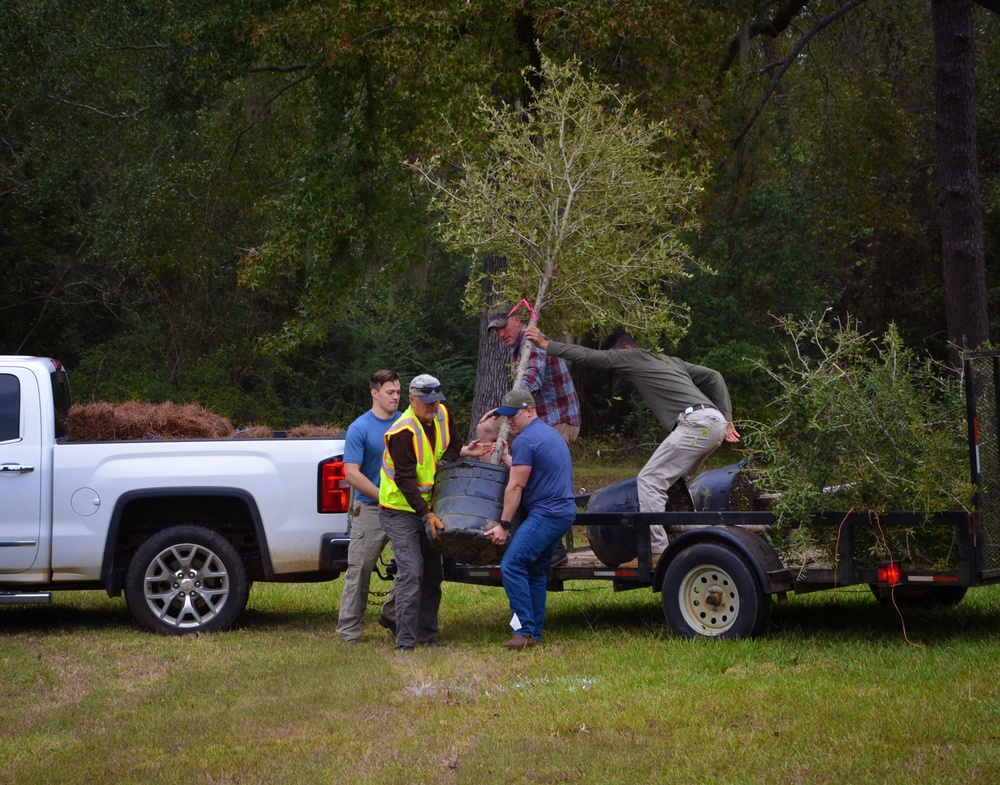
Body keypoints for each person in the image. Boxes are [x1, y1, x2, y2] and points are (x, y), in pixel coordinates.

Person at [525, 325, 740, 560]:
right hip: (714, 422)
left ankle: (657, 551)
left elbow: (589, 356)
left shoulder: (632, 355)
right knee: (677, 482)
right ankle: (686, 537)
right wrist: (727, 418)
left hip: (695, 423)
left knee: (649, 481)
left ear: (626, 348)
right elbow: (714, 376)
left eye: (616, 359)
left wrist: (546, 345)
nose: (619, 370)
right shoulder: (668, 360)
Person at [378, 373, 492, 650]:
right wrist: (425, 515)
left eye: (436, 401)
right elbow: (404, 479)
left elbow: (454, 444)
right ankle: (405, 640)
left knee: (432, 574)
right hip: (399, 510)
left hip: (430, 508)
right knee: (412, 571)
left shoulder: (441, 414)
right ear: (412, 400)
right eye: (427, 402)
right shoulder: (402, 431)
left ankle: (427, 635)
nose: (433, 407)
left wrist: (444, 463)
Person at [484, 389, 577, 649]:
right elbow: (534, 468)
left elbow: (515, 487)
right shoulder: (548, 434)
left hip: (547, 513)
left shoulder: (526, 440)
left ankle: (523, 631)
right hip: (563, 512)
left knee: (512, 566)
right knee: (535, 570)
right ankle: (534, 633)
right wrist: (508, 459)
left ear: (529, 411)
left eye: (513, 416)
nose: (509, 422)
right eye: (505, 418)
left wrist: (503, 525)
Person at [335, 370, 402, 644]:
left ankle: (393, 615)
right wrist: (382, 495)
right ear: (375, 393)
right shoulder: (360, 427)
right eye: (390, 392)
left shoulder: (406, 423)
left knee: (413, 566)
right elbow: (351, 473)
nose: (396, 397)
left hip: (403, 510)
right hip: (370, 509)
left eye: (399, 392)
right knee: (360, 569)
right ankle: (349, 632)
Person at [483, 304, 581, 446]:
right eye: (497, 330)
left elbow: (530, 380)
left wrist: (506, 407)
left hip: (559, 422)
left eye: (503, 327)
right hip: (537, 420)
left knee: (529, 455)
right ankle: (494, 469)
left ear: (517, 320)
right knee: (486, 428)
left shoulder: (532, 342)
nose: (501, 334)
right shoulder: (516, 347)